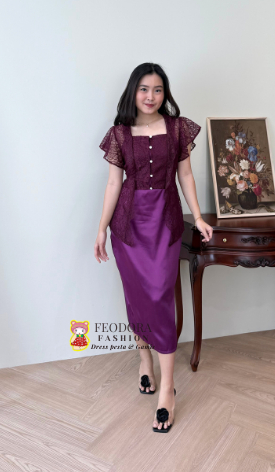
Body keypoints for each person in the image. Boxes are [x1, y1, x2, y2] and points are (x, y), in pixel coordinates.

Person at [94, 63, 213, 433]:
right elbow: (114, 184)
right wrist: (101, 229)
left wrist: (199, 216)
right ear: (134, 91)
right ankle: (144, 360)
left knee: (160, 295)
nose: (151, 96)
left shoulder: (178, 129)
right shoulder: (118, 133)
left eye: (158, 89)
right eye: (144, 89)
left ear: (165, 93)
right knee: (137, 294)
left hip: (165, 222)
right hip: (127, 227)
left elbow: (186, 175)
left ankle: (167, 390)